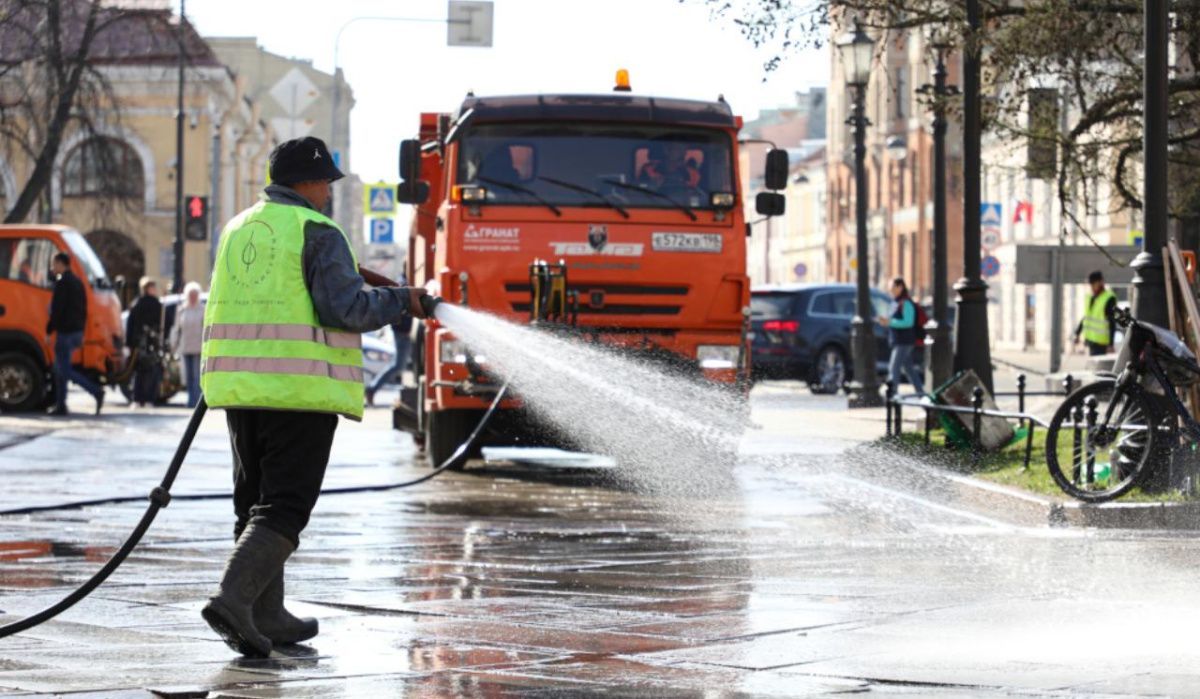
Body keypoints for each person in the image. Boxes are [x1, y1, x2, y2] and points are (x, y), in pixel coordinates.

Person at [199, 136, 434, 658]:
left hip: (241, 388)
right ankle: (234, 599)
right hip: (297, 390)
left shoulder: (239, 227)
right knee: (285, 506)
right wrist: (401, 302)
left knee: (254, 501)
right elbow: (344, 310)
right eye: (326, 182)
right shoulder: (317, 230)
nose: (329, 192)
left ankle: (267, 614)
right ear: (309, 182)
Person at [46, 252, 104, 415]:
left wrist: (49, 330)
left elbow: (58, 310)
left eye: (54, 264)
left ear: (60, 264)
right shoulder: (78, 283)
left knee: (63, 370)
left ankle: (95, 391)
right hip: (76, 331)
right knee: (61, 369)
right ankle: (61, 404)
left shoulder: (63, 283)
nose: (52, 268)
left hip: (65, 331)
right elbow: (84, 309)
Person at [365, 275, 414, 407]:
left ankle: (372, 388)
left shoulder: (403, 282)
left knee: (402, 365)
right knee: (399, 365)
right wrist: (406, 329)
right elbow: (397, 308)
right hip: (403, 332)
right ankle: (372, 388)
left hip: (404, 331)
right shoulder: (402, 284)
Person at [877, 277, 925, 395]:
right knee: (909, 370)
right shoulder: (895, 302)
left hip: (904, 341)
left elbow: (908, 322)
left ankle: (892, 397)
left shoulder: (906, 303)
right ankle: (921, 395)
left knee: (894, 368)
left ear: (900, 287)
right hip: (898, 340)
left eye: (892, 287)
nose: (890, 290)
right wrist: (886, 321)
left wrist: (890, 322)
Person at [125, 277, 165, 407]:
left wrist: (129, 343)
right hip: (145, 344)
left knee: (145, 372)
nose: (154, 290)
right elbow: (132, 324)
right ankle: (143, 398)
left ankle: (142, 398)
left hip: (145, 344)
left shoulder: (139, 303)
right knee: (145, 372)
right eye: (152, 288)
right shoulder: (148, 304)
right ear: (146, 289)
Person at [171, 281, 204, 408]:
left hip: (198, 347)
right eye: (190, 294)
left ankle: (197, 403)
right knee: (188, 377)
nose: (193, 297)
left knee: (197, 376)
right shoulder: (182, 310)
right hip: (185, 347)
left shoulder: (203, 309)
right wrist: (174, 344)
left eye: (195, 294)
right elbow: (176, 329)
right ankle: (191, 401)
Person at [1073, 270, 1118, 356]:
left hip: (1102, 343)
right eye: (1091, 284)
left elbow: (1112, 322)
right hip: (1091, 341)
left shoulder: (1109, 298)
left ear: (1101, 282)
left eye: (1094, 284)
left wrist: (1111, 344)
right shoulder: (1090, 297)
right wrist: (1077, 333)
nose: (1092, 287)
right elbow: (1086, 317)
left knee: (1100, 368)